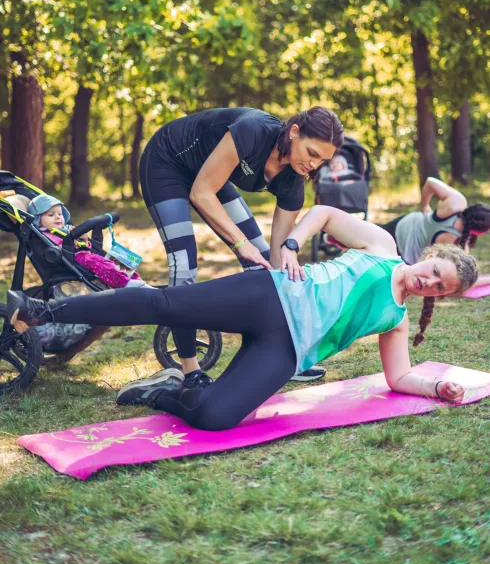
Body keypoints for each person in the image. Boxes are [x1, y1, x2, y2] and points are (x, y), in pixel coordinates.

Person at [8, 205, 478, 431]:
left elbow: (398, 377)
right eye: (434, 272)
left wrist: (435, 388)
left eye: (441, 289)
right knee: (164, 304)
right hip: (270, 294)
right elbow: (326, 213)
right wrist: (292, 243)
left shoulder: (395, 318)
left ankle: (167, 391)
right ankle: (43, 310)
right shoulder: (383, 246)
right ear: (430, 255)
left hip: (286, 351)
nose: (429, 284)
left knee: (217, 417)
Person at [139, 106, 344, 383]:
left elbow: (276, 258)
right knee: (184, 265)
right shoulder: (253, 131)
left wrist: (287, 264)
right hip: (167, 163)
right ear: (294, 132)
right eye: (312, 153)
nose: (314, 165)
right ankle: (190, 370)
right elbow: (201, 193)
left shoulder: (292, 181)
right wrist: (239, 243)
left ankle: (284, 356)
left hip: (211, 173)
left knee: (263, 268)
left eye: (323, 160)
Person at [28, 194, 151, 289]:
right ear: (38, 220)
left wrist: (85, 239)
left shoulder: (67, 229)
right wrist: (70, 241)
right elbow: (56, 251)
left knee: (114, 259)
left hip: (84, 255)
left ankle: (139, 282)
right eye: (51, 215)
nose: (58, 217)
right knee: (95, 260)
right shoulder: (44, 236)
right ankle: (124, 283)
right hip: (71, 261)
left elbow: (84, 246)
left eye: (60, 214)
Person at [378, 177, 490, 269]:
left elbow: (430, 182)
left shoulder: (457, 201)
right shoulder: (455, 243)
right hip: (406, 250)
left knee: (372, 238)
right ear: (477, 231)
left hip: (405, 225)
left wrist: (424, 205)